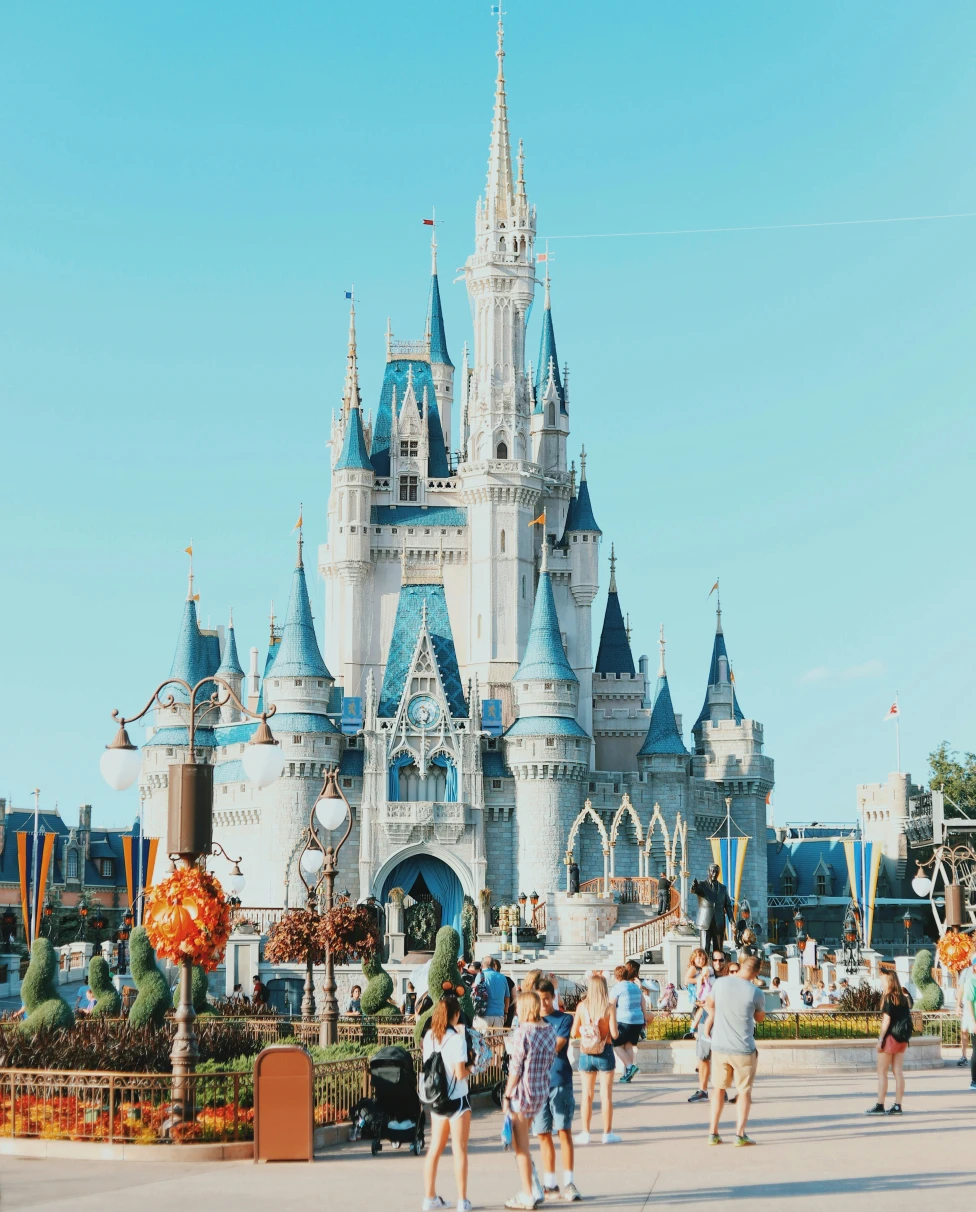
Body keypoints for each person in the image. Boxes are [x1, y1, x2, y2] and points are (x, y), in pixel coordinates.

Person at [703, 953, 766, 1146]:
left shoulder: (721, 983)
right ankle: (739, 1134)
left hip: (720, 1045)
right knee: (744, 1091)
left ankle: (713, 1132)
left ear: (740, 965)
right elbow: (759, 1018)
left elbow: (709, 1004)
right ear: (756, 972)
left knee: (718, 1089)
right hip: (743, 1048)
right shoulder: (755, 992)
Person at [502, 991, 558, 1210]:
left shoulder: (524, 1031)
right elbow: (551, 1058)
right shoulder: (550, 1030)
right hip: (540, 1090)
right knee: (523, 1143)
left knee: (521, 1148)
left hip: (522, 1093)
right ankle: (532, 1186)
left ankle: (528, 1193)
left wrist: (507, 1094)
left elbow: (515, 1067)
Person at [422, 994, 473, 1212]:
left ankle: (429, 1197)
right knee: (459, 1149)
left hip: (436, 1099)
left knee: (434, 1148)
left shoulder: (429, 1037)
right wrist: (473, 1065)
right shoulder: (457, 1039)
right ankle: (462, 1200)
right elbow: (460, 1073)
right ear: (456, 1015)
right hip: (457, 1099)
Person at [533, 979, 580, 1201]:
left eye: (546, 999)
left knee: (564, 1131)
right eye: (539, 999)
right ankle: (550, 1183)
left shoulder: (564, 1019)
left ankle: (569, 1182)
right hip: (537, 1083)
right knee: (543, 1134)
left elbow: (557, 1046)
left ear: (553, 997)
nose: (543, 1004)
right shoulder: (530, 1020)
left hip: (559, 1080)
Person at [571, 974, 620, 1145]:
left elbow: (573, 1032)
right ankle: (607, 1133)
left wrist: (587, 1032)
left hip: (586, 1053)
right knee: (606, 1096)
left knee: (587, 1095)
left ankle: (585, 1133)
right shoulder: (609, 1008)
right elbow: (614, 1034)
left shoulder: (581, 1007)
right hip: (605, 1051)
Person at [865, 972, 912, 1115]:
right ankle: (898, 1105)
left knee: (882, 1072)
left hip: (890, 1038)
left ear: (889, 981)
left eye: (883, 980)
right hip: (902, 1039)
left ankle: (880, 1105)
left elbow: (886, 1021)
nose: (881, 982)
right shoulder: (903, 998)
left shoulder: (888, 998)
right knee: (898, 1072)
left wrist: (880, 1040)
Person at [609, 964, 644, 1083]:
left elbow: (611, 1004)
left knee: (617, 1045)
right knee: (629, 1045)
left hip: (624, 1019)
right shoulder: (635, 987)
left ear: (616, 977)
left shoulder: (617, 987)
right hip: (638, 1020)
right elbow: (641, 1001)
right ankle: (627, 1074)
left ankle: (630, 1067)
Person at [691, 864, 733, 954]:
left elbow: (728, 905)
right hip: (705, 921)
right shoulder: (701, 885)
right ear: (708, 872)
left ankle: (717, 967)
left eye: (716, 872)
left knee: (718, 951)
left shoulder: (723, 888)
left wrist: (732, 921)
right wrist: (694, 886)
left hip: (719, 922)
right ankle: (703, 967)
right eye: (712, 871)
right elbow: (694, 890)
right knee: (704, 949)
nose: (714, 874)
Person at [480, 958, 510, 1028]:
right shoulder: (502, 977)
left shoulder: (481, 976)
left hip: (483, 1014)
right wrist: (505, 1012)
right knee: (497, 1038)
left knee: (483, 1038)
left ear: (482, 965)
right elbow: (507, 996)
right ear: (494, 965)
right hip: (499, 1014)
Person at [958, 956, 975, 1068]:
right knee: (964, 1031)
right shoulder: (966, 973)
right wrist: (957, 1005)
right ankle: (964, 1056)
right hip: (968, 1006)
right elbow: (961, 988)